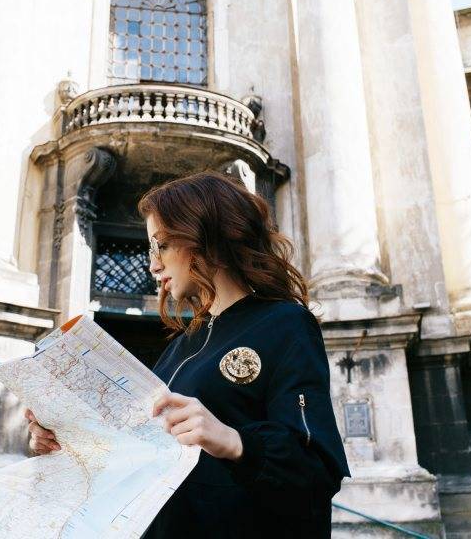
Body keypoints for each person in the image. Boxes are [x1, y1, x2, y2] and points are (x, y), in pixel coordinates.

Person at [26, 171, 350, 537]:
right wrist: (62, 438)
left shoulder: (286, 324)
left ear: (206, 236)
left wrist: (233, 441)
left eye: (162, 245)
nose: (153, 264)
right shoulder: (181, 347)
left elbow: (317, 469)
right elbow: (135, 460)